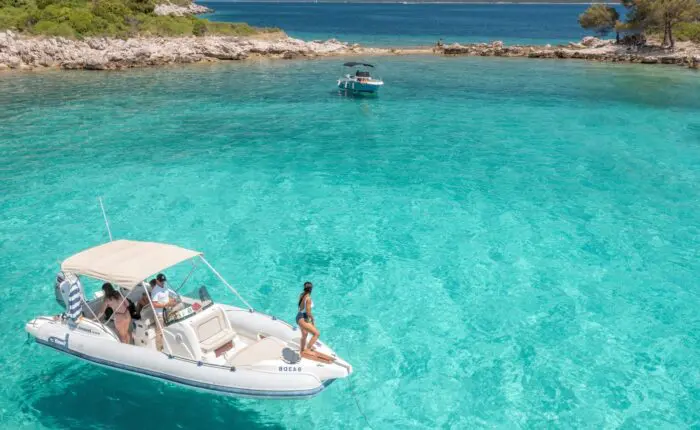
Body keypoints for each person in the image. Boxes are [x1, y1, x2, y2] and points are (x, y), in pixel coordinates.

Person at [296, 282, 320, 353]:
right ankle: (308, 349)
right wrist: (312, 319)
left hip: (299, 316)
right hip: (303, 318)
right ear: (311, 289)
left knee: (305, 335)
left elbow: (301, 308)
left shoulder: (302, 295)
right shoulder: (308, 299)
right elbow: (308, 312)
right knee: (316, 334)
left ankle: (302, 350)